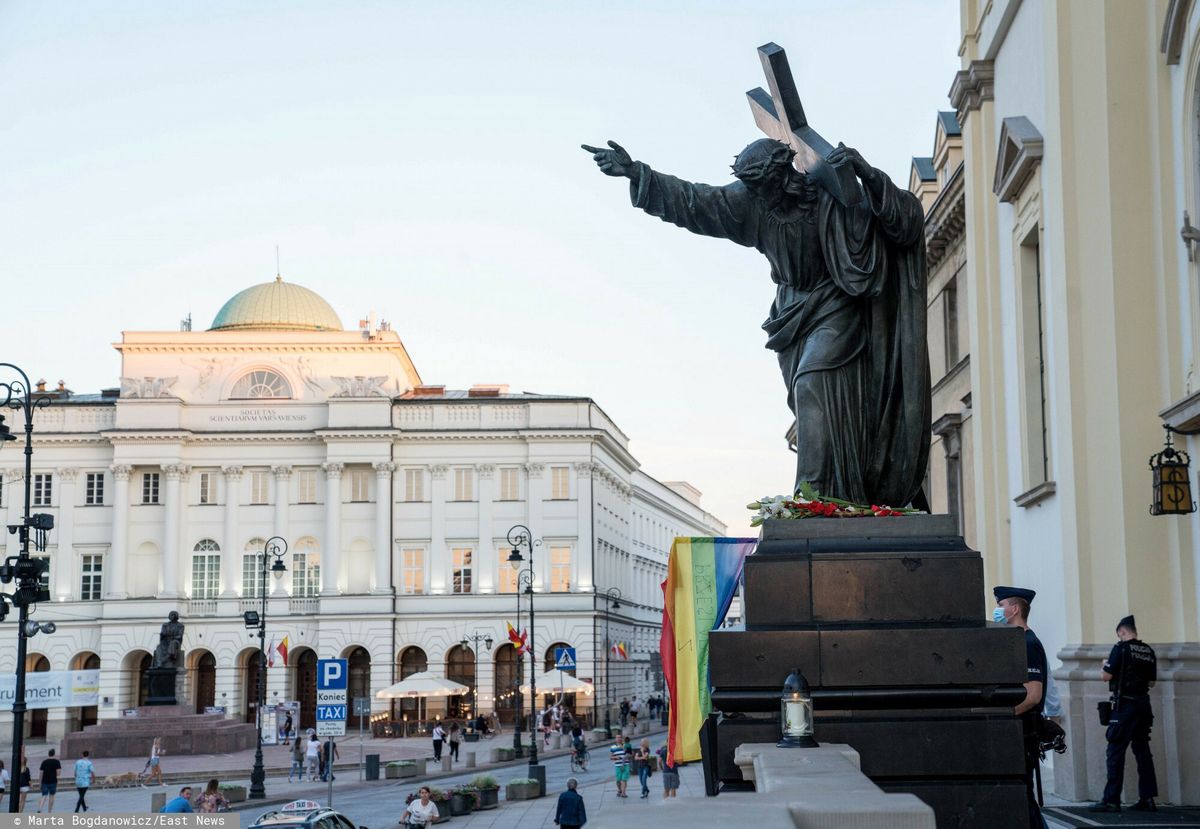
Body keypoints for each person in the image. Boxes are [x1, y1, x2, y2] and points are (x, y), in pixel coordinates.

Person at [581, 138, 930, 508]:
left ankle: (815, 497)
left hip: (837, 303)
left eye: (763, 186)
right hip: (793, 313)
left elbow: (903, 223)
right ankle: (839, 494)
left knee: (814, 380)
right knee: (811, 397)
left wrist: (867, 175)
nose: (757, 194)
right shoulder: (751, 201)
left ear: (782, 174)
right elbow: (695, 202)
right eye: (752, 188)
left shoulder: (828, 193)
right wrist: (637, 172)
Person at [1089, 614, 1159, 813]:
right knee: (1143, 752)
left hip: (1125, 707)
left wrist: (1104, 665)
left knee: (1115, 752)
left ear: (1122, 632)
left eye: (1119, 635)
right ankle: (1148, 798)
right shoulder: (1148, 651)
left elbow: (1106, 676)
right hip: (1144, 706)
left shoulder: (1120, 648)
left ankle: (1111, 800)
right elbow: (1152, 682)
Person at [993, 585, 1047, 829]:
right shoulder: (1016, 641)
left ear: (1014, 609)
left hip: (1023, 731)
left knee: (1023, 795)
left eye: (1001, 605)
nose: (997, 610)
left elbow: (1033, 695)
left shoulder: (1028, 643)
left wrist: (1005, 715)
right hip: (1016, 730)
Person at [37, 748, 62, 812]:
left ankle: (40, 808)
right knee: (51, 796)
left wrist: (39, 783)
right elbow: (58, 773)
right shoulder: (57, 762)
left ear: (48, 754)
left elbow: (41, 773)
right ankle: (49, 811)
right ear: (54, 754)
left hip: (44, 781)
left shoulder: (44, 762)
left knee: (44, 795)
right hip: (53, 781)